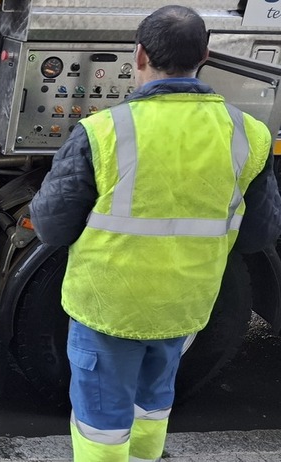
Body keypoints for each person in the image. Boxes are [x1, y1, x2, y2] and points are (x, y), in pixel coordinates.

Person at [29, 5, 281, 461]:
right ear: (205, 54)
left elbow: (49, 225)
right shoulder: (250, 134)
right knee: (152, 405)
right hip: (184, 307)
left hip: (109, 308)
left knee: (100, 423)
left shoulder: (104, 131)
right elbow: (258, 235)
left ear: (139, 54)